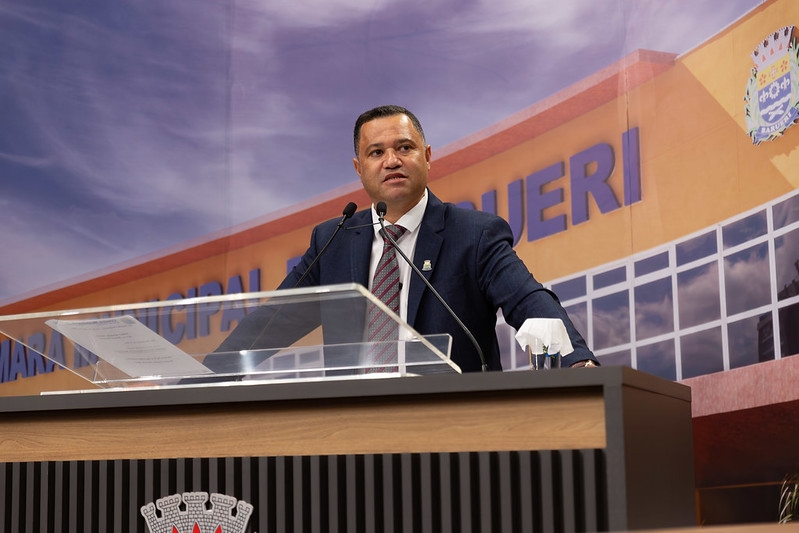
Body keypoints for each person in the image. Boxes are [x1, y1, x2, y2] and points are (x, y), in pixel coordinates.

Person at [219, 105, 598, 371]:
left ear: (427, 156)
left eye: (404, 148)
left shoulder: (474, 234)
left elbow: (528, 301)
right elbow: (268, 326)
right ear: (359, 168)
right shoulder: (332, 240)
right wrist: (203, 376)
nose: (392, 161)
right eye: (376, 152)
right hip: (351, 431)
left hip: (453, 428)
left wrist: (577, 362)